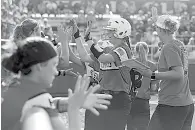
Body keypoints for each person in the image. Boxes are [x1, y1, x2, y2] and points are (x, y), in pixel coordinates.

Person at [1, 37, 112, 130]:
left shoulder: (13, 86)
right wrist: (73, 108)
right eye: (54, 65)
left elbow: (47, 104)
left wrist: (70, 102)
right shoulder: (38, 98)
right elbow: (40, 106)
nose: (55, 71)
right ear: (40, 66)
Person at [135, 8, 194, 130]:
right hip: (185, 103)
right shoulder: (178, 44)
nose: (154, 29)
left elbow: (178, 74)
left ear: (161, 30)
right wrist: (159, 21)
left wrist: (152, 75)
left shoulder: (168, 47)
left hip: (172, 105)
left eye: (156, 27)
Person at [70, 18, 132, 130]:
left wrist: (89, 39)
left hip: (118, 99)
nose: (108, 33)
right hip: (103, 96)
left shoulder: (123, 49)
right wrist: (77, 36)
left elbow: (103, 58)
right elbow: (84, 57)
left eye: (111, 31)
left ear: (121, 32)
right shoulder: (109, 50)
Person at [126, 42, 158, 130]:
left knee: (130, 127)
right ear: (147, 51)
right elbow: (153, 88)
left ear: (135, 51)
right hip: (143, 101)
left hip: (130, 100)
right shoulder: (152, 66)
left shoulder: (129, 64)